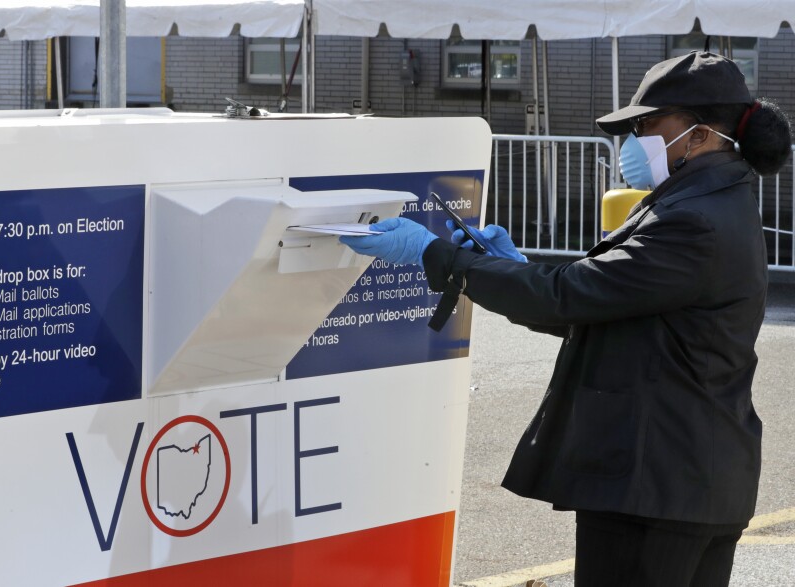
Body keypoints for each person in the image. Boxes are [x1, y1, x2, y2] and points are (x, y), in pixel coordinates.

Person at [339, 51, 792, 586]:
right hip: (684, 479)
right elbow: (603, 304)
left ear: (698, 135)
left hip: (656, 486)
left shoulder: (693, 220)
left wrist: (438, 255)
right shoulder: (709, 201)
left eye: (648, 125)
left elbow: (569, 297)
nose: (634, 141)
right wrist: (510, 269)